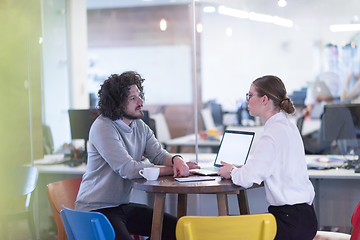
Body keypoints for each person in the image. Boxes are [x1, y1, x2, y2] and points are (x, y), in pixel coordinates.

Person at [75, 71, 198, 240]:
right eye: (133, 98)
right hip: (95, 210)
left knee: (178, 229)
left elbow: (158, 153)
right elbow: (128, 169)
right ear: (117, 104)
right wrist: (171, 170)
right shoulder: (103, 127)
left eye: (139, 96)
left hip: (121, 206)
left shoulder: (139, 126)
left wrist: (177, 160)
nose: (141, 102)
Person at [218, 75, 318, 240]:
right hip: (304, 217)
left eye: (250, 95)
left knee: (228, 231)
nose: (247, 101)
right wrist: (243, 169)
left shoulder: (273, 133)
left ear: (264, 99)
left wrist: (233, 171)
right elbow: (268, 167)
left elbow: (247, 178)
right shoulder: (287, 126)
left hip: (289, 222)